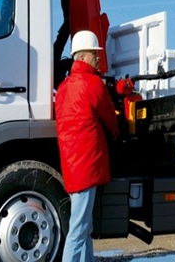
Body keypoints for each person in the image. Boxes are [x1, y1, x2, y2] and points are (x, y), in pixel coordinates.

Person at [55, 30, 119, 262]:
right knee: (79, 229)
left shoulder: (63, 88)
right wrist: (116, 133)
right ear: (82, 56)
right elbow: (110, 120)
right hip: (88, 165)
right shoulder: (92, 84)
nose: (99, 58)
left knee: (85, 225)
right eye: (95, 54)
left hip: (72, 164)